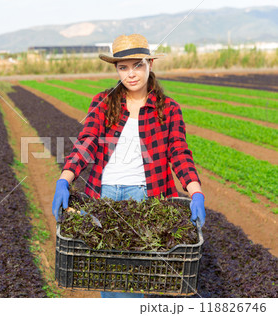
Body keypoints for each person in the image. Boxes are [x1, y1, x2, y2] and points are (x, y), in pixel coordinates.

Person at [51, 34, 206, 298]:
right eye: (123, 67)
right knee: (105, 276)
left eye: (138, 65)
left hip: (144, 197)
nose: (131, 74)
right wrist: (65, 179)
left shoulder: (168, 109)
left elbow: (179, 153)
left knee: (133, 279)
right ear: (116, 69)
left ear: (150, 64)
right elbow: (86, 142)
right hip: (104, 195)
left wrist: (196, 192)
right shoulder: (104, 101)